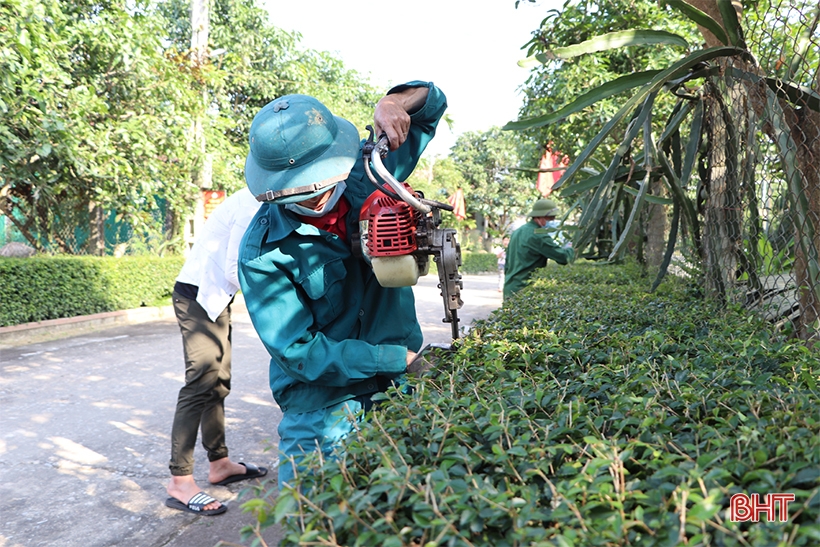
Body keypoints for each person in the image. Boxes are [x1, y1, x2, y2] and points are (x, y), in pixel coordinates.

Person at [238, 81, 447, 488]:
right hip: (320, 402)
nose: (316, 198)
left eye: (322, 182)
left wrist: (394, 102)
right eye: (299, 191)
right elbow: (298, 351)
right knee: (309, 512)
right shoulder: (262, 253)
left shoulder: (373, 176)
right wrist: (394, 359)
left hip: (396, 388)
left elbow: (431, 104)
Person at [165, 187, 267, 516]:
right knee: (200, 382)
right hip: (197, 296)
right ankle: (180, 482)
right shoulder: (253, 205)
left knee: (219, 382)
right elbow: (235, 269)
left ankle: (219, 463)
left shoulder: (264, 200)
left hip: (216, 298)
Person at [503, 198, 574, 300]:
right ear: (540, 216)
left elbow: (508, 262)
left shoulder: (518, 231)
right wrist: (572, 249)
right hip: (525, 289)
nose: (553, 221)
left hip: (510, 287)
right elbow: (562, 257)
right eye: (550, 218)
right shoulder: (538, 235)